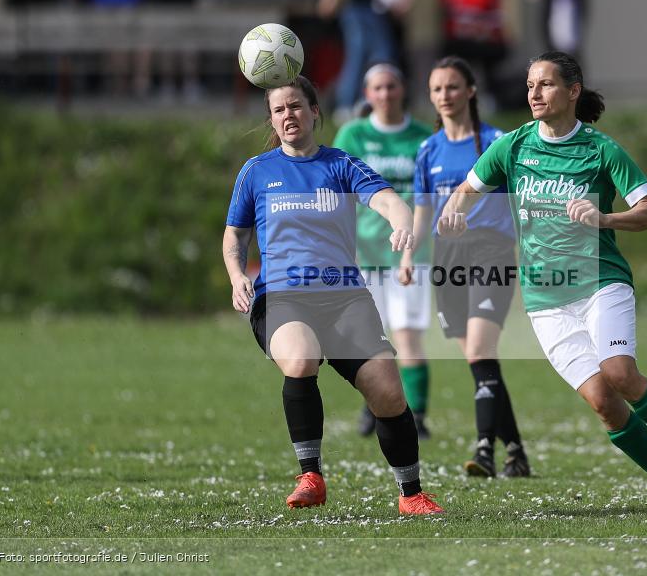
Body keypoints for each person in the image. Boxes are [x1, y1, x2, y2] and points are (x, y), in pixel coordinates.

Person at [437, 51, 647, 508]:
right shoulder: (511, 146)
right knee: (603, 402)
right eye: (531, 85)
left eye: (546, 84)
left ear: (573, 91)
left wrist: (605, 218)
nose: (534, 93)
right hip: (544, 298)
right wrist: (453, 215)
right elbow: (466, 191)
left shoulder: (601, 149)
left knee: (619, 373)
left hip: (599, 282)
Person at [222, 76, 443, 515]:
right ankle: (311, 475)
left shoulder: (341, 164)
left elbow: (387, 200)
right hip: (282, 296)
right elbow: (235, 235)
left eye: (296, 106)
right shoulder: (256, 171)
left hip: (343, 297)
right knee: (301, 358)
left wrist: (401, 222)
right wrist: (235, 275)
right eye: (279, 109)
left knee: (388, 393)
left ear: (315, 112)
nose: (289, 115)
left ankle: (411, 494)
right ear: (271, 118)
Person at [402, 56, 530, 479]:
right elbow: (423, 213)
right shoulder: (427, 150)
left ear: (471, 91)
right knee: (481, 361)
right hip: (446, 256)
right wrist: (407, 255)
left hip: (490, 250)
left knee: (479, 351)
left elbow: (521, 199)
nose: (445, 96)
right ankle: (516, 450)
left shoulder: (497, 141)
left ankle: (485, 451)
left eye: (453, 87)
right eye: (437, 89)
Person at [332, 63, 435, 439]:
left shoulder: (423, 136)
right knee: (367, 337)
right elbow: (339, 195)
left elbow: (428, 198)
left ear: (402, 89)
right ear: (367, 93)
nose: (386, 94)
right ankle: (373, 408)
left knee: (407, 335)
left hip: (411, 253)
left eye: (391, 86)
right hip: (364, 252)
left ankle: (418, 414)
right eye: (378, 87)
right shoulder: (354, 134)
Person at [318, 0, 397, 123]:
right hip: (355, 7)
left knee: (378, 56)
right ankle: (345, 104)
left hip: (372, 7)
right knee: (357, 57)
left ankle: (364, 103)